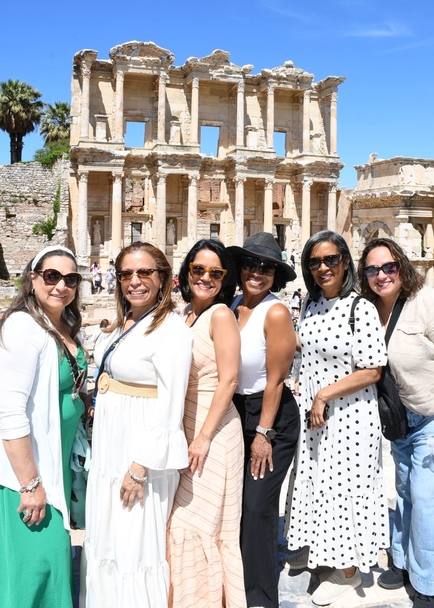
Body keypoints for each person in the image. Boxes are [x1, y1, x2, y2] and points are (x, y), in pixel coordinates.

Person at [358, 238, 434, 608]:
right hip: (400, 419)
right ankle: (404, 563)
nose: (381, 275)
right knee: (405, 493)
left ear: (402, 266)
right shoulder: (371, 309)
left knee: (429, 498)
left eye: (388, 267)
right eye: (372, 270)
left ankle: (428, 582)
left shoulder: (430, 304)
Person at [82, 242, 193, 608]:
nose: (135, 281)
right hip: (112, 447)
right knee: (108, 538)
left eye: (145, 272)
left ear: (163, 279)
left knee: (135, 543)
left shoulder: (171, 330)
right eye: (127, 273)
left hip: (140, 452)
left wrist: (140, 466)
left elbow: (170, 404)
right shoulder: (122, 323)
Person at [284, 230, 389, 606]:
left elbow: (373, 369)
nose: (323, 268)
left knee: (345, 490)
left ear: (345, 262)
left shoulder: (360, 308)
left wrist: (324, 395)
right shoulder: (311, 306)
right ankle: (326, 552)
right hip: (318, 419)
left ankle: (348, 572)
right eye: (315, 262)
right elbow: (305, 348)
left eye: (331, 260)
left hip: (351, 417)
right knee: (321, 486)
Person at [0, 245, 87, 608]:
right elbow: (9, 411)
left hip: (56, 464)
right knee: (37, 568)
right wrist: (30, 485)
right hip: (28, 475)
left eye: (70, 279)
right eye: (51, 276)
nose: (60, 286)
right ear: (33, 278)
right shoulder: (22, 326)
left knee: (50, 565)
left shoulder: (64, 323)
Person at [167, 239, 246, 608]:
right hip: (186, 424)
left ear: (225, 279)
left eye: (216, 273)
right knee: (182, 521)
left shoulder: (220, 315)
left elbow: (229, 380)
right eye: (198, 270)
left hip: (212, 432)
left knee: (197, 523)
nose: (206, 278)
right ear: (186, 272)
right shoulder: (184, 313)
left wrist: (202, 438)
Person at [227, 232, 300, 608]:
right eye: (251, 264)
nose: (257, 272)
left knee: (257, 506)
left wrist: (264, 434)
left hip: (271, 417)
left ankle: (260, 598)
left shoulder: (275, 311)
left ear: (275, 275)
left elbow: (275, 380)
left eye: (266, 267)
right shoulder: (235, 303)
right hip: (238, 412)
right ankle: (236, 582)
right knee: (237, 503)